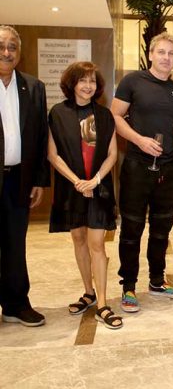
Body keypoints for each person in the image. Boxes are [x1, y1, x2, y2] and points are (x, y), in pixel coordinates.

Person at [111, 32, 173, 313]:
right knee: (132, 229)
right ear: (151, 54)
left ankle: (157, 281)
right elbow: (114, 116)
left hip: (168, 171)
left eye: (171, 53)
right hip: (137, 167)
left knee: (161, 230)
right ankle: (129, 287)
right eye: (162, 52)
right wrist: (139, 140)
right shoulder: (133, 81)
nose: (166, 57)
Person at [48, 61, 122, 330]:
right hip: (72, 187)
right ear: (72, 84)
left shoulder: (104, 115)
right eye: (82, 80)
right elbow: (52, 154)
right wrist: (77, 181)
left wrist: (95, 180)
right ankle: (88, 292)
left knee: (97, 244)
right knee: (78, 239)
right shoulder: (58, 113)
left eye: (92, 81)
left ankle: (102, 303)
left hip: (98, 188)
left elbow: (112, 154)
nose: (88, 86)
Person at [0, 25, 49, 327]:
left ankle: (16, 304)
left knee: (15, 244)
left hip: (19, 179)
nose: (6, 52)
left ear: (19, 52)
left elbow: (41, 136)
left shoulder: (33, 87)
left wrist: (40, 180)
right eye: (1, 46)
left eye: (12, 47)